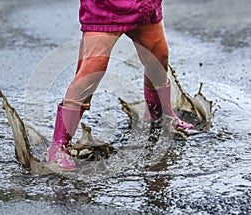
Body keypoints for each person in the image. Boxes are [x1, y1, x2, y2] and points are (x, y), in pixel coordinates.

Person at [47, 0, 194, 170]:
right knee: (92, 69)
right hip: (105, 8)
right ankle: (59, 145)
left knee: (158, 56)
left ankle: (160, 116)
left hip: (144, 7)